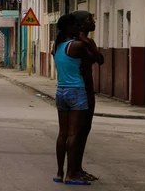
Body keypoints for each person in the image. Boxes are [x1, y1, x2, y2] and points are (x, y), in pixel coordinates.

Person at [52, 14, 92, 186]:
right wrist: (85, 40)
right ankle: (71, 175)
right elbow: (98, 59)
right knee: (74, 134)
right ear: (69, 27)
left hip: (60, 91)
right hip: (76, 91)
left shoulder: (57, 46)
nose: (78, 28)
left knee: (62, 133)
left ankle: (60, 173)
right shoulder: (76, 45)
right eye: (76, 25)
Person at [72, 11, 104, 182]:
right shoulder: (79, 43)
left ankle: (76, 169)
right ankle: (74, 170)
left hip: (85, 88)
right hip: (81, 89)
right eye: (89, 20)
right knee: (79, 131)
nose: (94, 22)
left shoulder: (84, 42)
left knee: (82, 131)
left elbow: (99, 59)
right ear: (80, 24)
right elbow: (100, 59)